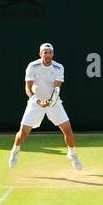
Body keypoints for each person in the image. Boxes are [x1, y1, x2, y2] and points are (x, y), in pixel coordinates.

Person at [10, 42, 81, 170]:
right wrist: (38, 101)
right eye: (45, 52)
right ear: (40, 53)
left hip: (54, 103)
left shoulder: (59, 67)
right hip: (35, 103)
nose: (47, 55)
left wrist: (50, 101)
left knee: (68, 131)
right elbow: (28, 88)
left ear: (53, 54)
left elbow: (57, 88)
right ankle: (15, 151)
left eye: (49, 53)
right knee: (23, 133)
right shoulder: (32, 66)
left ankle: (72, 154)